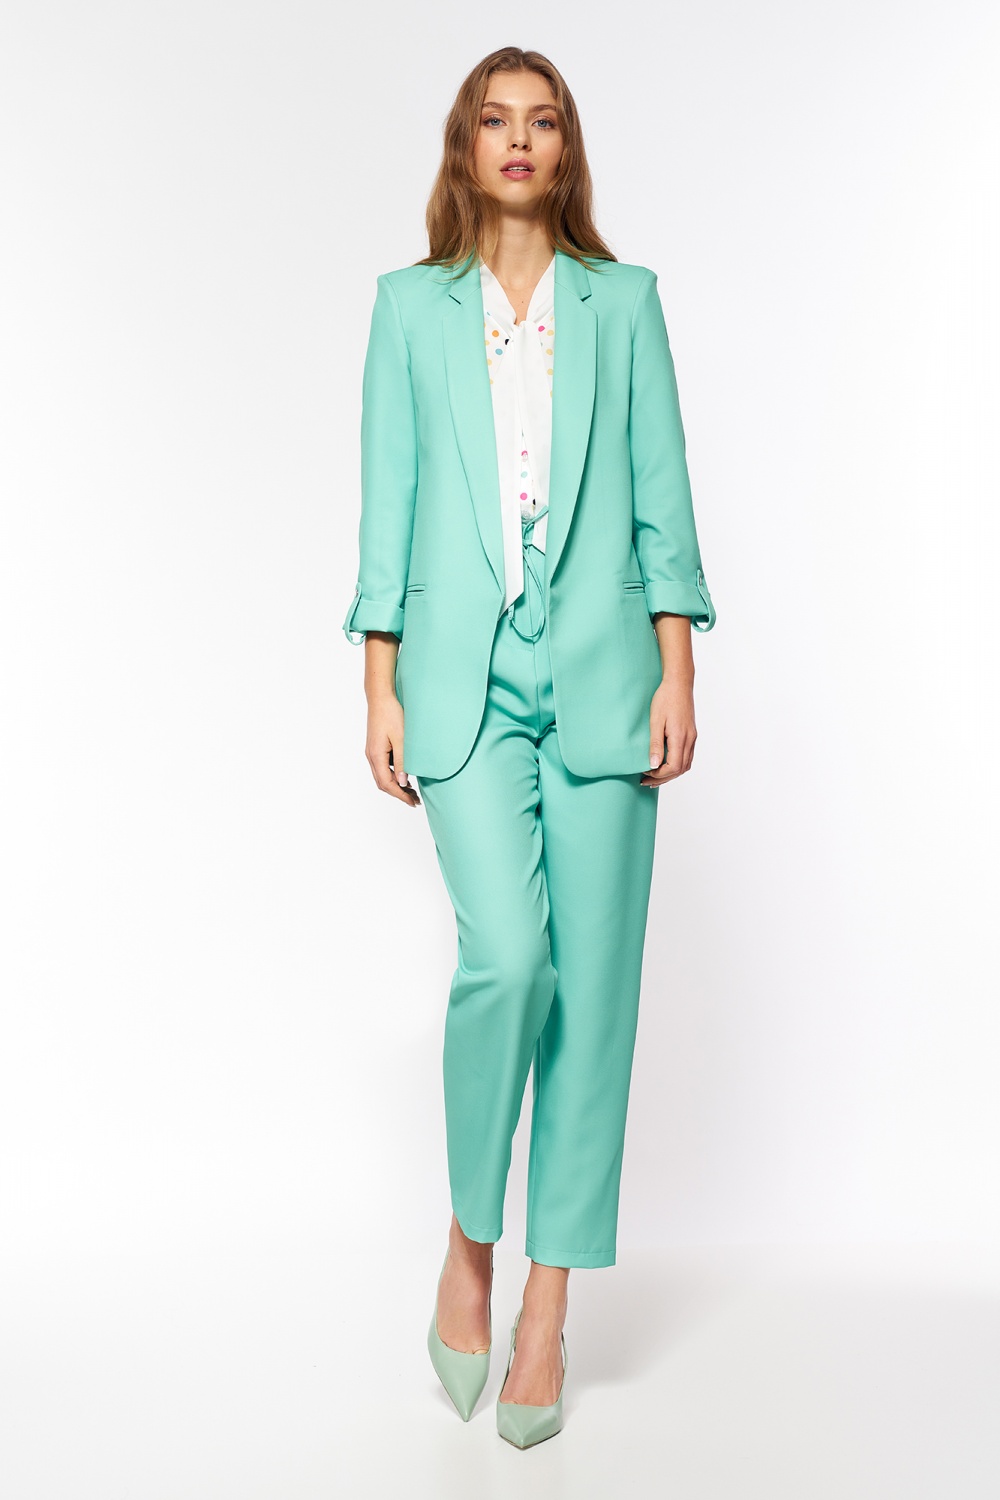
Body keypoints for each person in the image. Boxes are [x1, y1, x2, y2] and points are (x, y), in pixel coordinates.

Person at [342, 46, 717, 1448]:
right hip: (462, 681)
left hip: (610, 675)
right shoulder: (407, 309)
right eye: (494, 121)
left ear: (566, 150)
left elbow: (664, 496)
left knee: (594, 998)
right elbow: (387, 504)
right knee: (510, 958)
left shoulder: (626, 303)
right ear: (466, 147)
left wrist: (678, 668)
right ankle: (469, 1239)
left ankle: (550, 1306)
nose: (518, 140)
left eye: (541, 120)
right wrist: (379, 684)